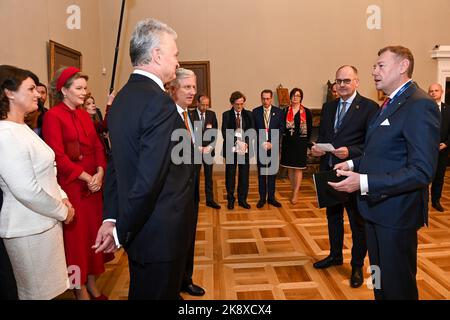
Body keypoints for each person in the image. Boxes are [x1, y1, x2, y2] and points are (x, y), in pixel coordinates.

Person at [93, 18, 195, 300]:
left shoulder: (123, 98)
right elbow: (150, 179)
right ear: (157, 55)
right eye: (174, 54)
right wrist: (119, 231)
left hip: (141, 232)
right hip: (161, 232)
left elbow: (117, 164)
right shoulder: (159, 103)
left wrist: (112, 217)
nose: (177, 62)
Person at [330, 46, 440, 299]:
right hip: (376, 210)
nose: (374, 71)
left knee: (397, 287)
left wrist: (364, 181)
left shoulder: (419, 104)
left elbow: (422, 171)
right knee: (380, 283)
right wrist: (353, 165)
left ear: (403, 66)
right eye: (374, 66)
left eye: (381, 65)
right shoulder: (390, 103)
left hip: (396, 215)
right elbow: (382, 152)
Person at [0, 65, 75, 299]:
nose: (38, 94)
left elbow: (46, 172)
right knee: (37, 294)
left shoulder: (22, 127)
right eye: (31, 88)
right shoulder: (5, 133)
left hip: (44, 222)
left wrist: (62, 196)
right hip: (28, 228)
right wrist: (62, 211)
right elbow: (26, 190)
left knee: (50, 292)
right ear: (9, 93)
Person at [42, 66, 109, 300]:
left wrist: (100, 172)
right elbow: (57, 156)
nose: (85, 92)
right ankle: (79, 290)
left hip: (94, 187)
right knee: (76, 244)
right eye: (79, 88)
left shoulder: (83, 113)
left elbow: (98, 146)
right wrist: (86, 177)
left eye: (85, 87)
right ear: (64, 90)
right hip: (73, 187)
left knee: (93, 238)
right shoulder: (52, 116)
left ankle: (92, 284)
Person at [311, 65, 378, 288]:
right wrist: (317, 148)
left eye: (346, 81)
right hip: (329, 170)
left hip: (353, 173)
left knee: (358, 223)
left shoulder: (369, 108)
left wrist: (351, 152)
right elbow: (323, 136)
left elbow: (372, 145)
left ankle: (357, 265)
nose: (341, 85)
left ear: (357, 82)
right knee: (333, 218)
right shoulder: (328, 107)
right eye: (338, 81)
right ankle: (335, 255)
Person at [168, 68, 205, 297]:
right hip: (175, 191)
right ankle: (173, 285)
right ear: (174, 89)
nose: (192, 92)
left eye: (194, 87)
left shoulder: (187, 114)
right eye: (187, 87)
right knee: (175, 240)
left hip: (190, 187)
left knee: (189, 236)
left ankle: (185, 279)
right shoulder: (169, 116)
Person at [222, 91, 254, 210]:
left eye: (241, 104)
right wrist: (237, 142)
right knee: (230, 175)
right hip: (231, 149)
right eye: (237, 104)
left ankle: (242, 200)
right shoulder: (226, 115)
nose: (239, 106)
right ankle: (231, 200)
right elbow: (225, 132)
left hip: (244, 149)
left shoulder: (248, 114)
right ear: (232, 104)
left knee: (244, 176)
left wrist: (245, 142)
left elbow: (252, 130)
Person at [280, 88, 313, 204]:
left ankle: (295, 193)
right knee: (290, 167)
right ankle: (293, 188)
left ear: (301, 98)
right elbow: (281, 128)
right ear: (290, 97)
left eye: (298, 96)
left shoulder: (307, 112)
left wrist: (307, 145)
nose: (295, 97)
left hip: (300, 143)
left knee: (298, 168)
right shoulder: (284, 111)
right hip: (288, 143)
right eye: (293, 95)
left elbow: (309, 130)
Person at [252, 89, 284, 208]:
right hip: (260, 147)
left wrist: (272, 142)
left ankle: (271, 197)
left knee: (272, 173)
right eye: (263, 99)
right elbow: (253, 129)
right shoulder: (255, 112)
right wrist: (262, 143)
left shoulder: (279, 112)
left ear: (271, 99)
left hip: (273, 147)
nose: (265, 101)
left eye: (268, 98)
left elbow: (281, 128)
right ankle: (262, 198)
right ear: (261, 99)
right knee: (262, 173)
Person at [190, 94, 221, 209]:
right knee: (195, 176)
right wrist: (197, 146)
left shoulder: (211, 114)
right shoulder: (190, 114)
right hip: (195, 151)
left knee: (209, 176)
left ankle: (210, 199)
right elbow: (188, 133)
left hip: (208, 151)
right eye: (202, 105)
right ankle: (194, 199)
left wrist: (210, 146)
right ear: (197, 103)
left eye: (207, 105)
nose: (205, 107)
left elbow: (215, 132)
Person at [428, 83, 450, 212]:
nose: (433, 93)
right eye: (431, 91)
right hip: (426, 150)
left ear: (441, 92)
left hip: (442, 150)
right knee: (424, 176)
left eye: (436, 90)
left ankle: (436, 201)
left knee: (439, 177)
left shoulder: (448, 109)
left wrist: (446, 144)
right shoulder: (424, 109)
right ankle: (423, 202)